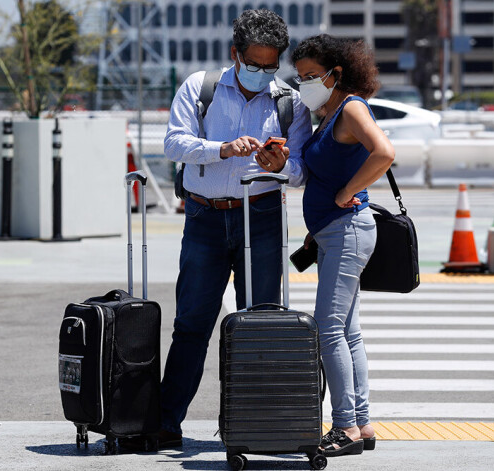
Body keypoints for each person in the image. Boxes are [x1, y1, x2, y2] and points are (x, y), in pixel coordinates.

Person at [155, 9, 312, 449]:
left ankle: (255, 423)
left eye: (270, 65)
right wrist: (221, 149)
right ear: (235, 54)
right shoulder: (200, 87)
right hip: (204, 216)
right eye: (253, 64)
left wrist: (282, 165)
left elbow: (300, 170)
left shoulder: (290, 102)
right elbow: (173, 143)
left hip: (261, 215)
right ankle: (167, 421)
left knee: (260, 322)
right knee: (192, 323)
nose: (262, 73)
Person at [291, 34, 395, 457]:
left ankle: (346, 428)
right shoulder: (329, 114)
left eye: (312, 76)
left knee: (328, 328)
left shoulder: (350, 107)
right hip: (334, 232)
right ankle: (363, 424)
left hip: (348, 227)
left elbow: (384, 152)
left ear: (337, 73)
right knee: (347, 331)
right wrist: (316, 227)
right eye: (300, 77)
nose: (305, 85)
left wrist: (344, 193)